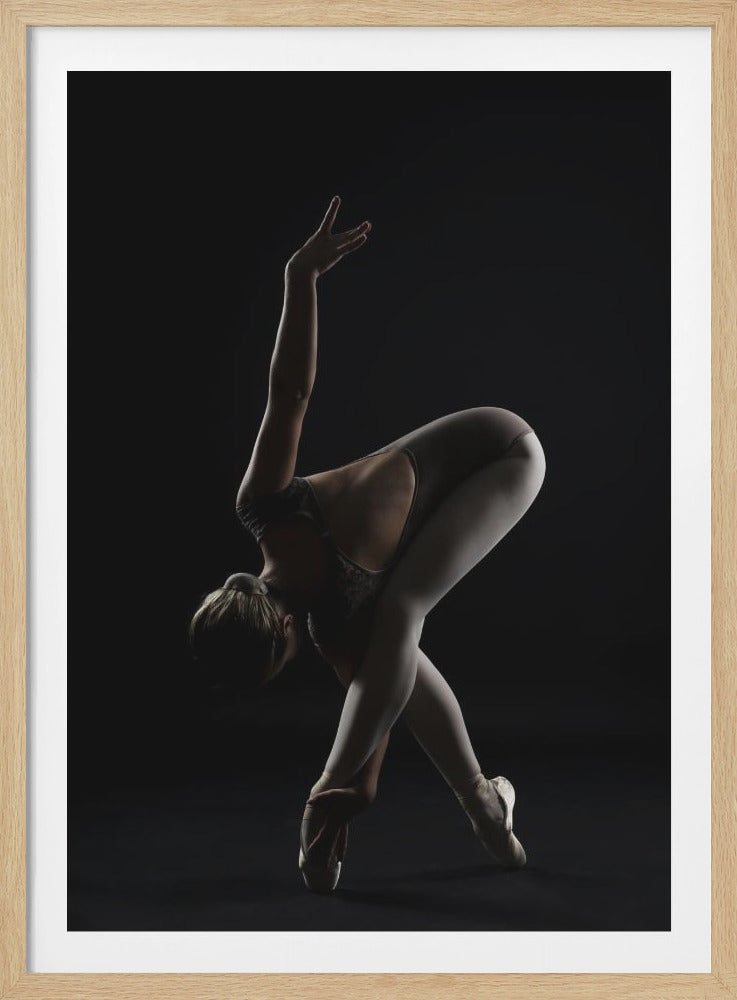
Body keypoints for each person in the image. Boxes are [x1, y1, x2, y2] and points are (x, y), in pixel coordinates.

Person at [189, 196, 546, 892]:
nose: (296, 661)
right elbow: (383, 700)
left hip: (500, 450)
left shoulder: (270, 510)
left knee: (402, 610)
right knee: (395, 649)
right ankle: (482, 804)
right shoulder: (324, 614)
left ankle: (387, 802)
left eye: (280, 659)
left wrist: (300, 280)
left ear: (280, 625)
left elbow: (288, 392)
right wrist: (346, 803)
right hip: (438, 522)